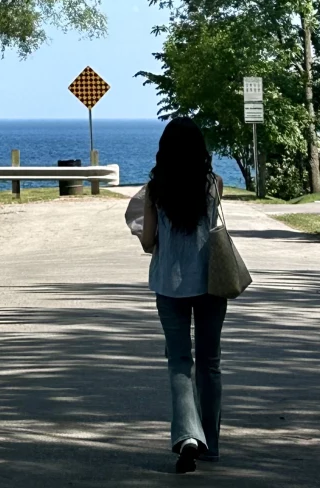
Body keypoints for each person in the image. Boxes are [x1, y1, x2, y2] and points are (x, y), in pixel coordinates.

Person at [139, 117, 226, 475]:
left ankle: (188, 435)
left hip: (168, 286)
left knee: (179, 361)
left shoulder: (154, 189)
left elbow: (147, 243)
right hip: (210, 284)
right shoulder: (214, 184)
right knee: (210, 362)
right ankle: (212, 445)